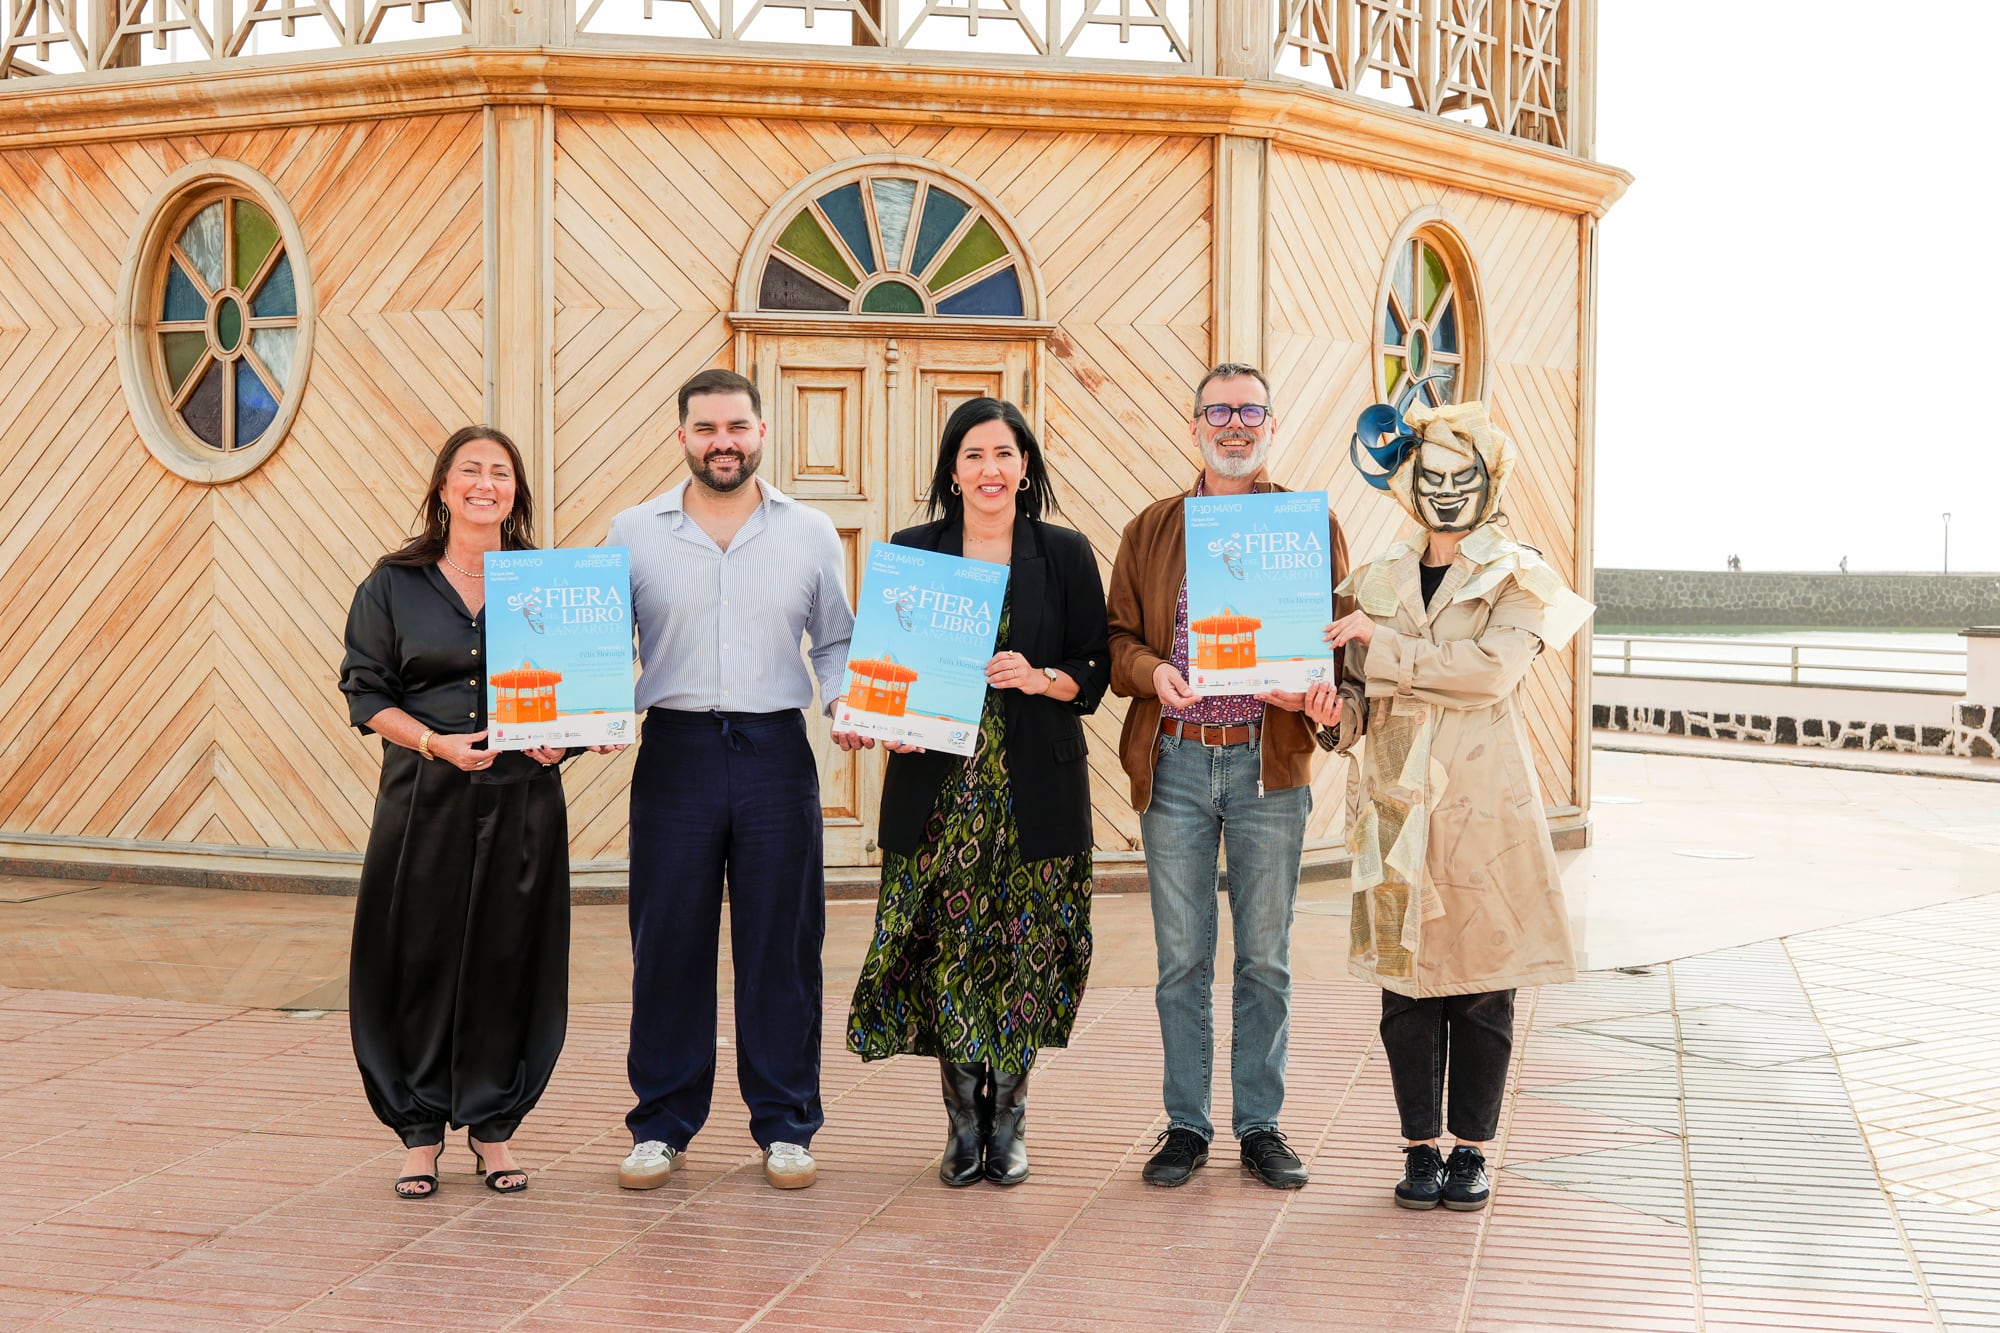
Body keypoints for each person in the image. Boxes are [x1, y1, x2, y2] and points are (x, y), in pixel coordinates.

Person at [1331, 394, 1592, 1212]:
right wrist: (1330, 710)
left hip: (1484, 806)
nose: (1445, 490)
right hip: (1394, 800)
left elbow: (1489, 673)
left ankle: (1472, 1150)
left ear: (1489, 478)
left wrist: (1386, 651)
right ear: (1409, 478)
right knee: (1405, 987)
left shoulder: (1520, 573)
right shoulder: (1373, 579)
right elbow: (1354, 698)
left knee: (1483, 984)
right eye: (1431, 474)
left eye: (1462, 475)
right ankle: (1419, 1147)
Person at [846, 398, 1110, 1187]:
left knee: (1024, 955)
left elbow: (1095, 668)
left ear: (1025, 466)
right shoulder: (914, 550)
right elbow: (883, 667)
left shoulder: (1063, 552)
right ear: (952, 471)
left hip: (1033, 789)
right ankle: (965, 1125)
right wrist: (882, 719)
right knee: (952, 953)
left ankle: (1011, 1121)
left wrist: (1041, 677)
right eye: (973, 455)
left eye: (1004, 454)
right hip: (941, 793)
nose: (989, 469)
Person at [610, 369, 857, 1193]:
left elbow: (834, 643)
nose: (723, 441)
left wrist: (849, 706)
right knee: (668, 940)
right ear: (682, 434)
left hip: (775, 753)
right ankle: (661, 1124)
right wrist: (585, 720)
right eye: (706, 427)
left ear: (761, 432)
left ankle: (786, 1124)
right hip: (674, 751)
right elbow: (604, 650)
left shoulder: (812, 532)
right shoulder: (632, 532)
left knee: (781, 944)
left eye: (738, 427)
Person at [340, 425, 602, 1198]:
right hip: (423, 800)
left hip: (523, 800)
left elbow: (581, 691)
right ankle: (418, 1133)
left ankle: (493, 1129)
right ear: (444, 487)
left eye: (500, 472)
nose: (485, 483)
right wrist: (436, 745)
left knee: (507, 959)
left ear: (515, 490)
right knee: (414, 958)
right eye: (470, 471)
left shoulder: (548, 583)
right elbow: (365, 691)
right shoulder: (393, 583)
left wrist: (569, 744)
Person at [1106, 363, 1349, 1191]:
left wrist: (1321, 696)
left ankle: (1260, 1123)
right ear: (1195, 425)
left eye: (1251, 411)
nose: (1235, 424)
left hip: (1267, 761)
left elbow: (1339, 647)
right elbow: (1116, 641)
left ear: (1271, 426)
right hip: (1174, 759)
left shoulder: (1306, 526)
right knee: (1182, 959)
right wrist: (1150, 673)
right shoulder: (1151, 527)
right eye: (1220, 411)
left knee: (1267, 958)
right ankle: (1185, 1122)